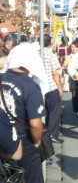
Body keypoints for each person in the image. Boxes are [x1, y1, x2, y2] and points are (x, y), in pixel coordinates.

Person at [1, 43, 46, 183]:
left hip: (4, 138)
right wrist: (37, 141)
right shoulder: (30, 86)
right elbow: (35, 123)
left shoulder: (2, 78)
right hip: (24, 140)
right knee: (32, 178)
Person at [42, 35, 64, 143]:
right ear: (50, 42)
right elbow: (55, 73)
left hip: (40, 87)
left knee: (44, 111)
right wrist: (60, 88)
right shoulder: (51, 54)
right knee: (54, 111)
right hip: (51, 86)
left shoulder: (37, 54)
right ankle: (53, 135)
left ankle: (44, 133)